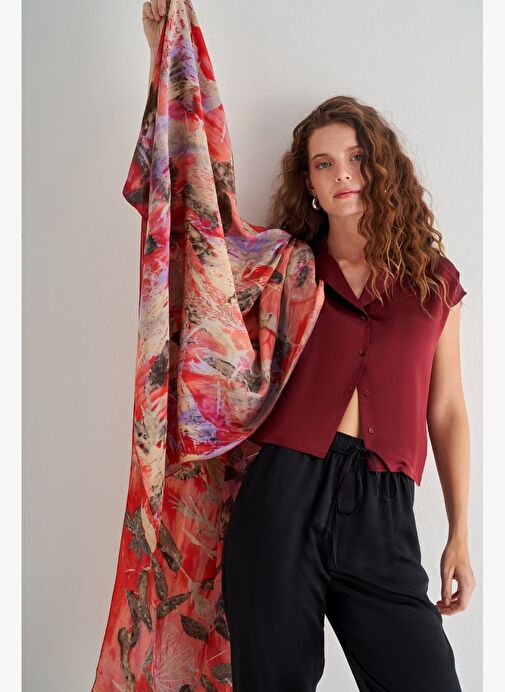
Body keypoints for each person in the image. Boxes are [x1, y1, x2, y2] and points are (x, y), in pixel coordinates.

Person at [140, 3, 476, 691]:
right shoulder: (282, 269)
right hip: (281, 499)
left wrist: (460, 533)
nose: (341, 173)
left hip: (385, 511)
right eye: (324, 164)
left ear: (381, 168)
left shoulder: (435, 283)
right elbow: (195, 216)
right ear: (311, 186)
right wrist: (162, 58)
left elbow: (446, 410)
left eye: (355, 158)